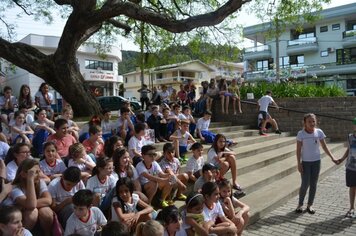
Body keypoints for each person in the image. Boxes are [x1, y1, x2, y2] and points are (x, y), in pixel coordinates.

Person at [295, 113, 337, 214]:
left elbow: (324, 147)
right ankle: (300, 204)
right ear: (304, 123)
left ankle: (310, 205)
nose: (312, 123)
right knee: (305, 184)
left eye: (313, 121)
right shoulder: (301, 134)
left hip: (316, 162)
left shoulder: (319, 132)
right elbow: (298, 150)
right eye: (309, 121)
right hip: (305, 163)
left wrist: (332, 157)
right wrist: (299, 163)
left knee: (313, 184)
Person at [10, 159, 54, 235]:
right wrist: (30, 179)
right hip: (16, 220)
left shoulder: (40, 182)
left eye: (39, 171)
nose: (39, 175)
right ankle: (22, 234)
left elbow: (48, 200)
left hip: (29, 211)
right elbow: (31, 206)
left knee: (46, 211)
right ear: (23, 174)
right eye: (34, 173)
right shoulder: (15, 188)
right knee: (33, 212)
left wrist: (26, 205)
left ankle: (47, 234)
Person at [337, 118, 356, 218]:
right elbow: (348, 150)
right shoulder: (350, 137)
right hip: (351, 167)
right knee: (352, 187)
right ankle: (352, 207)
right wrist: (341, 159)